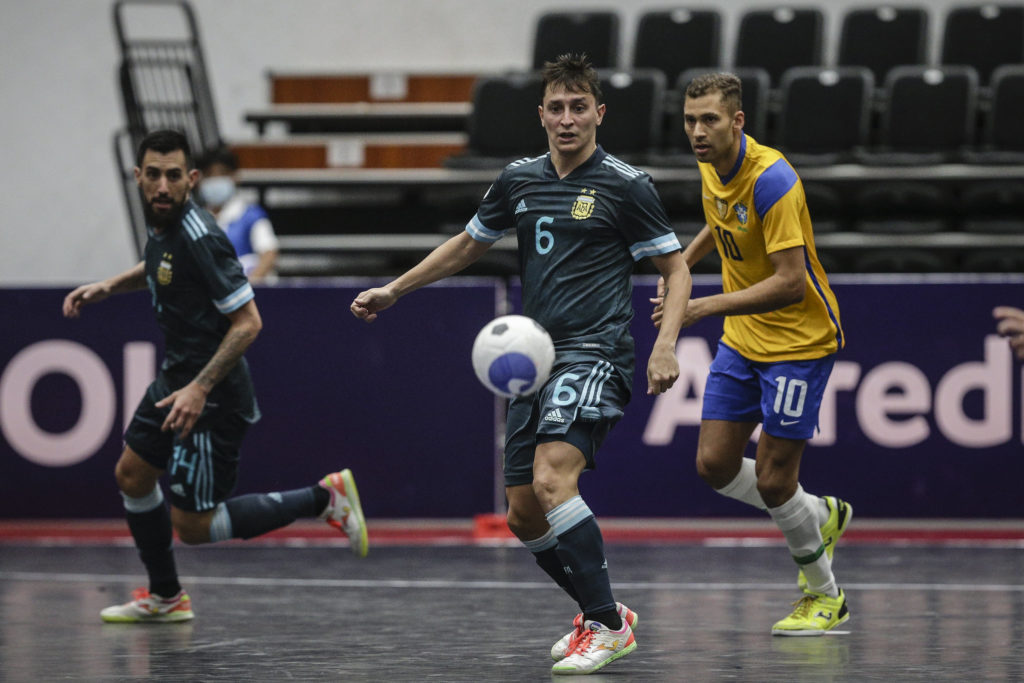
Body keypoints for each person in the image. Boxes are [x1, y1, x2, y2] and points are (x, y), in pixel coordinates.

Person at [351, 54, 691, 675]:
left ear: (599, 113)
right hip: (537, 361)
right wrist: (395, 290)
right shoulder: (519, 179)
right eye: (556, 108)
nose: (567, 119)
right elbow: (467, 245)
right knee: (523, 513)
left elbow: (677, 268)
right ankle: (601, 610)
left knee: (553, 479)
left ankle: (608, 627)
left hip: (596, 351)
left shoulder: (626, 184)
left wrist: (666, 342)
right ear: (541, 115)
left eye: (579, 107)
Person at [63, 129, 367, 624]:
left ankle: (323, 498)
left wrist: (200, 388)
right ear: (139, 177)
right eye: (154, 175)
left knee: (194, 526)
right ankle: (166, 597)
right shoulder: (163, 222)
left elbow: (248, 323)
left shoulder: (201, 236)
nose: (163, 186)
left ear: (192, 179)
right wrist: (108, 286)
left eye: (173, 176)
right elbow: (160, 265)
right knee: (132, 475)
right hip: (176, 378)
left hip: (213, 393)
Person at [652, 72, 851, 636]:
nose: (697, 131)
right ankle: (819, 514)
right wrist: (681, 266)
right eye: (690, 121)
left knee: (773, 480)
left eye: (709, 120)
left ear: (737, 121)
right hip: (743, 340)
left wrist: (701, 307)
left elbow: (791, 282)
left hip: (798, 343)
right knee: (713, 465)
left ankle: (825, 596)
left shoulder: (773, 180)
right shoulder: (711, 163)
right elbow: (720, 223)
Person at [196, 145, 279, 283]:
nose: (216, 180)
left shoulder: (252, 216)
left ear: (235, 177)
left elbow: (269, 254)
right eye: (209, 175)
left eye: (222, 174)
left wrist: (247, 287)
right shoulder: (196, 219)